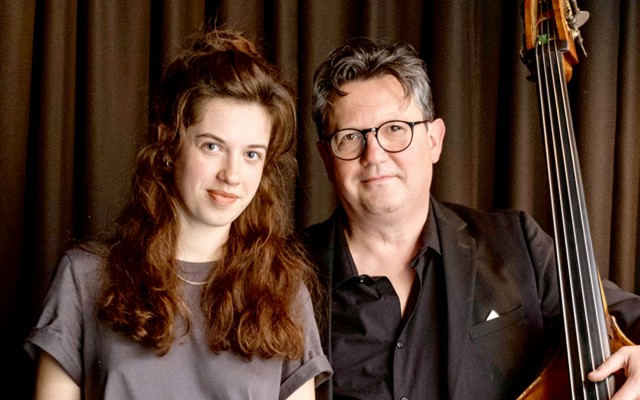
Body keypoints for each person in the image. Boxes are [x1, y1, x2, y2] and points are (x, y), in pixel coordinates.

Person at [304, 37, 640, 399]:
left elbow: (627, 317)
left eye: (395, 129)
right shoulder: (285, 274)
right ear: (326, 157)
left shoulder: (517, 244)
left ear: (434, 140)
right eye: (350, 137)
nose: (374, 154)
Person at [24, 30, 331, 400]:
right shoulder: (85, 277)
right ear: (169, 144)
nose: (232, 174)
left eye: (251, 154)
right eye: (212, 146)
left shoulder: (284, 290)